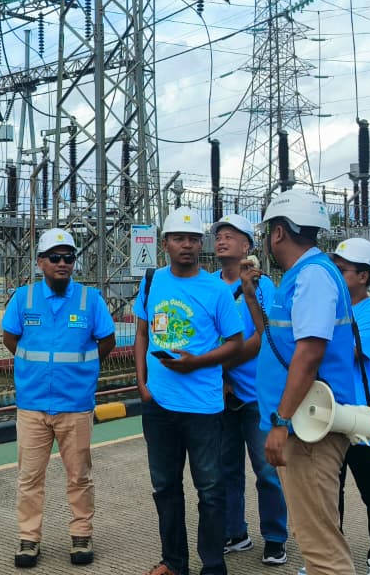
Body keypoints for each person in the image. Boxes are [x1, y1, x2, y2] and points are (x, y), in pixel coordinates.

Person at [135, 206, 245, 575]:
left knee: (210, 490)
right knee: (165, 487)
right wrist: (142, 384)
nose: (187, 245)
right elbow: (142, 334)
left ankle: (213, 565)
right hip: (159, 405)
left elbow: (236, 343)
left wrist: (197, 362)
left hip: (202, 407)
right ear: (165, 243)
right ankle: (174, 562)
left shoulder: (216, 290)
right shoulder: (152, 281)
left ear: (202, 244)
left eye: (193, 239)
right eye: (179, 238)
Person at [256, 188, 360, 575]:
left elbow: (310, 353)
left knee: (322, 550)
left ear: (278, 232)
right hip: (304, 423)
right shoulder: (304, 275)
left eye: (269, 232)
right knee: (314, 540)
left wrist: (281, 421)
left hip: (308, 429)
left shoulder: (312, 276)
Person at [2, 228, 116, 568]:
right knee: (29, 477)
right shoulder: (23, 298)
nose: (62, 263)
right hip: (33, 404)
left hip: (75, 405)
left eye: (68, 257)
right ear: (40, 262)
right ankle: (29, 539)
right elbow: (10, 338)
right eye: (55, 257)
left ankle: (81, 534)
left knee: (79, 475)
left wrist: (82, 370)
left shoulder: (89, 300)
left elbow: (107, 340)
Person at [211, 214, 288, 566]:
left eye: (230, 236)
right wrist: (220, 376)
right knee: (226, 469)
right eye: (219, 235)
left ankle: (275, 537)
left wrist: (219, 364)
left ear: (247, 247)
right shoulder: (210, 285)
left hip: (258, 394)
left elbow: (264, 335)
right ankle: (235, 532)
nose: (222, 240)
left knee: (267, 470)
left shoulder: (263, 285)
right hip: (224, 394)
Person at [331, 238, 370, 575]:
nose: (335, 275)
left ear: (363, 276)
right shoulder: (328, 308)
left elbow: (347, 354)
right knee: (330, 493)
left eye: (342, 270)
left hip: (362, 417)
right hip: (329, 415)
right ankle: (330, 558)